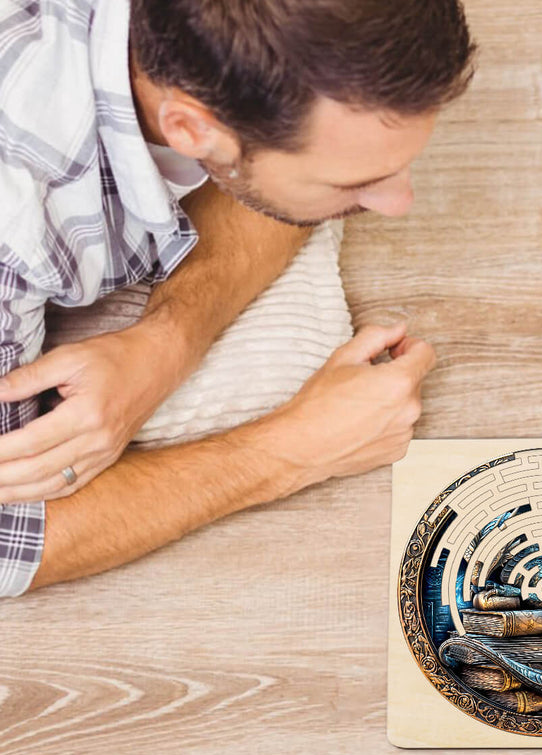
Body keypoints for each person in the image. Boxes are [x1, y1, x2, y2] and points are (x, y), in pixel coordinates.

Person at [0, 0, 475, 595]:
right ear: (192, 130)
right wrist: (290, 450)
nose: (399, 201)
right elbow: (6, 543)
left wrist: (165, 344)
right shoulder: (15, 226)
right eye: (353, 183)